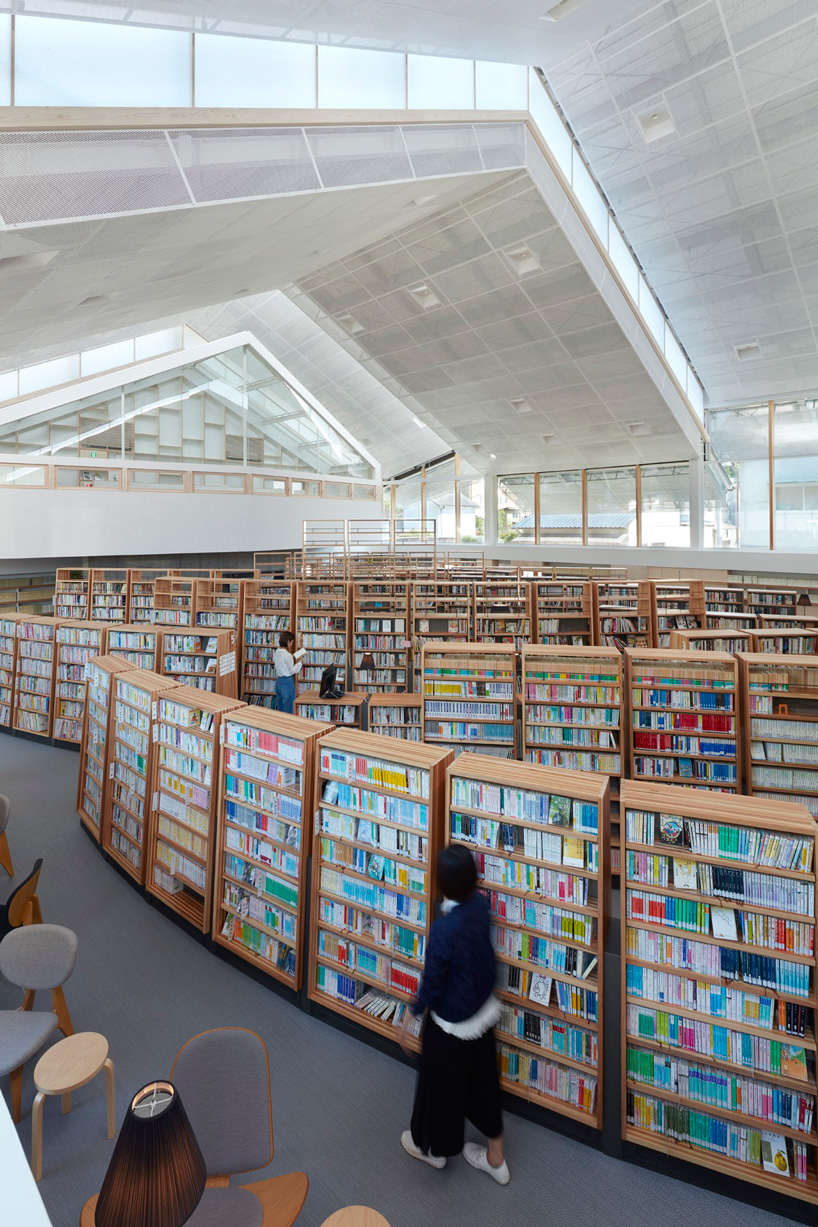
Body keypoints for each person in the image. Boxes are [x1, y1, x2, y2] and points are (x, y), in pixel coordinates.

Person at [399, 845, 508, 1184]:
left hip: (451, 1022)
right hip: (482, 1011)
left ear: (441, 883)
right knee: (484, 1083)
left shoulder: (443, 932)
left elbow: (432, 984)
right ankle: (496, 1158)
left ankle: (432, 1148)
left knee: (438, 1086)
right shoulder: (481, 906)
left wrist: (412, 1014)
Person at [273, 631, 301, 714]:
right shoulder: (288, 655)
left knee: (281, 708)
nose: (292, 644)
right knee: (289, 708)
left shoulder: (277, 651)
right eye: (291, 642)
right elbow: (292, 670)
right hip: (287, 683)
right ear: (288, 642)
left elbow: (282, 662)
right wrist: (300, 662)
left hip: (279, 682)